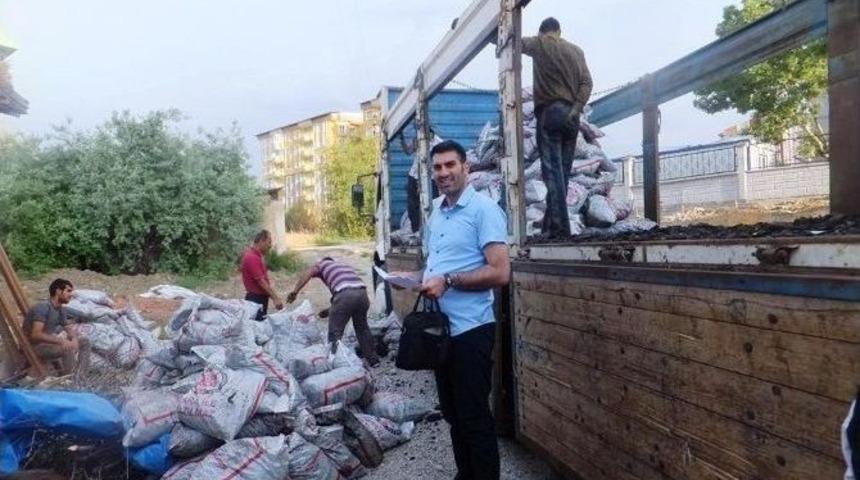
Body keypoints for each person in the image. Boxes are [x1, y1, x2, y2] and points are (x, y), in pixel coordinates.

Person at [395, 140, 510, 480]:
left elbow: (500, 272)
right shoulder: (436, 211)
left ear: (466, 168)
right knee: (452, 414)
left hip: (471, 330)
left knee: (474, 416)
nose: (443, 173)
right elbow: (436, 266)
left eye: (450, 165)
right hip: (440, 332)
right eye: (437, 167)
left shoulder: (484, 211)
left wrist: (449, 280)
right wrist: (412, 279)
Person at [523, 17, 593, 237]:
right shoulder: (576, 51)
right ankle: (549, 226)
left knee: (552, 173)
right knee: (562, 173)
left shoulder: (540, 43)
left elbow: (511, 40)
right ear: (559, 31)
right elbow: (587, 83)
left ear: (543, 32)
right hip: (572, 117)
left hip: (550, 113)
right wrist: (576, 108)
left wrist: (488, 34)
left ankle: (561, 230)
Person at [287, 257, 380, 366]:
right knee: (362, 328)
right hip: (362, 294)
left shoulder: (321, 264)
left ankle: (333, 363)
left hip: (345, 295)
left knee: (335, 333)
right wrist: (329, 310)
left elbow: (343, 296)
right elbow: (344, 298)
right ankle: (373, 360)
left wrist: (295, 292)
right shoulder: (343, 266)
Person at [24, 278, 90, 380]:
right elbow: (36, 334)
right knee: (66, 347)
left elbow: (69, 329)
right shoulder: (43, 307)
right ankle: (71, 381)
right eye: (68, 291)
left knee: (85, 341)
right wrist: (62, 341)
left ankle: (81, 377)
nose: (71, 294)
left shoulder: (61, 309)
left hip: (48, 344)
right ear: (58, 291)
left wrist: (74, 340)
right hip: (34, 347)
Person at [240, 230, 284, 320]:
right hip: (255, 300)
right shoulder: (252, 257)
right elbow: (261, 281)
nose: (270, 245)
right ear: (261, 241)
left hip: (260, 298)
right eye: (269, 242)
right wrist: (275, 298)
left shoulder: (257, 256)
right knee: (257, 327)